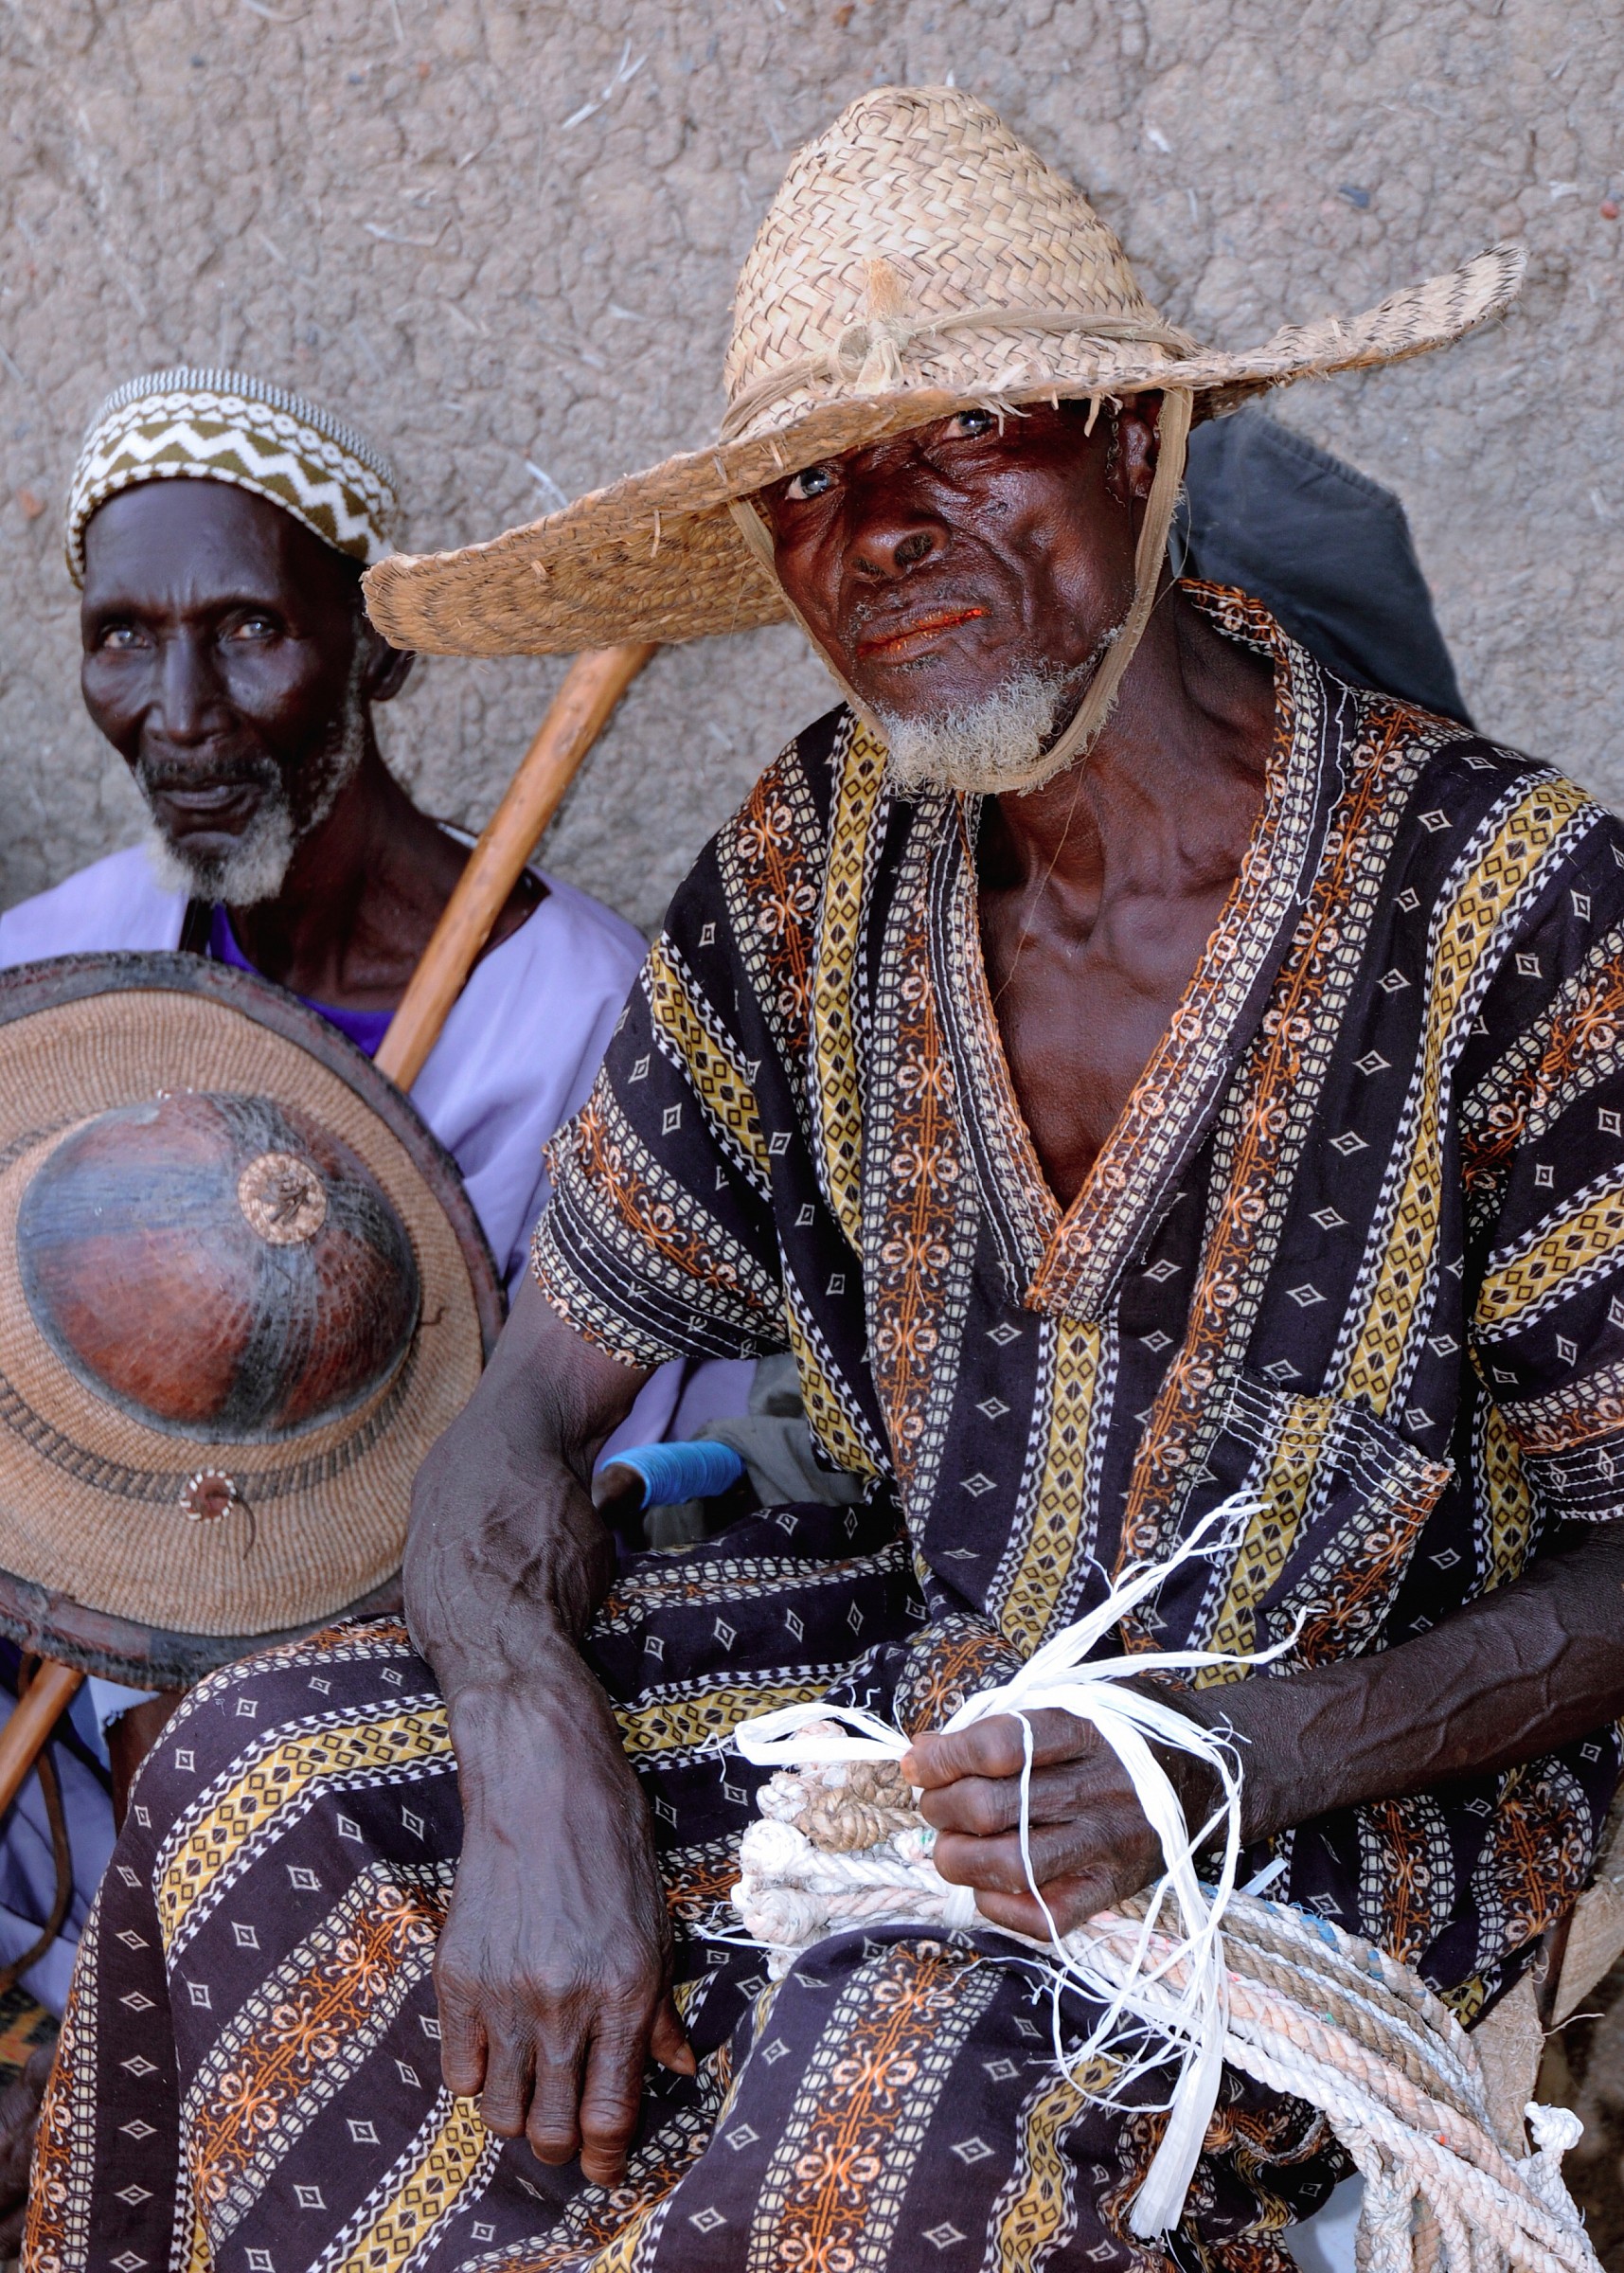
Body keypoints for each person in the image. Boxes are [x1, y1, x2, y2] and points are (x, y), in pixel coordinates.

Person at [33, 90, 1624, 2273]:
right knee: (243, 1790)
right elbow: (524, 1410)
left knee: (872, 2114)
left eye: (971, 432)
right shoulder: (822, 863)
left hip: (1337, 1796)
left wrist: (1231, 1757)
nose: (880, 530)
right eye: (811, 483)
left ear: (1134, 451)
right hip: (920, 1684)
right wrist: (529, 1742)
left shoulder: (1509, 916)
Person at [0, 373, 744, 2022]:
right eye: (123, 637)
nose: (180, 710)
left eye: (250, 631)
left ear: (379, 650)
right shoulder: (62, 969)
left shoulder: (585, 1025)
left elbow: (601, 1493)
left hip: (380, 1680)